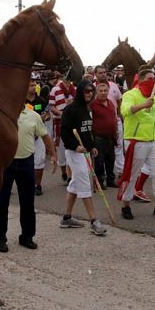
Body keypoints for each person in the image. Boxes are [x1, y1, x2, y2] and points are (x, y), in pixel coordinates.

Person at [0, 95, 57, 252]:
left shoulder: (33, 115)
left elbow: (45, 136)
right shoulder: (2, 114)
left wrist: (54, 154)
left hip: (26, 162)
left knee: (28, 202)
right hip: (6, 163)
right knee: (1, 202)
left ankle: (27, 236)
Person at [117, 68, 155, 220]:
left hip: (153, 142)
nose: (154, 81)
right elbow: (124, 111)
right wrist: (144, 105)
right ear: (142, 79)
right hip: (135, 141)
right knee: (131, 175)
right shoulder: (130, 94)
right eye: (151, 78)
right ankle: (126, 206)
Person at [58, 80, 107, 236]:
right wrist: (74, 146)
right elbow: (64, 132)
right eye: (87, 91)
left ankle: (66, 218)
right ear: (80, 92)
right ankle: (93, 221)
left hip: (84, 151)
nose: (90, 94)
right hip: (74, 152)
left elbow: (87, 131)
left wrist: (92, 145)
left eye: (91, 91)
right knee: (85, 183)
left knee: (75, 184)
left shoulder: (87, 109)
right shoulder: (70, 109)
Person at [90, 81, 118, 189]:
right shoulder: (93, 105)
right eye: (101, 91)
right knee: (99, 162)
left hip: (111, 136)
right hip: (99, 137)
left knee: (111, 160)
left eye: (105, 91)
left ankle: (110, 180)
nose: (103, 93)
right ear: (96, 92)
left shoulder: (110, 102)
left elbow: (114, 117)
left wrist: (116, 132)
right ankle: (99, 182)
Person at [49, 74, 75, 185]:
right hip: (59, 123)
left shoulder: (75, 89)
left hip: (72, 123)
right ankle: (64, 173)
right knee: (61, 150)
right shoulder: (55, 89)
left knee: (71, 148)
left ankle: (70, 176)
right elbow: (51, 107)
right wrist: (62, 114)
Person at [26, 78, 50, 195]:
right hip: (25, 136)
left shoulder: (41, 100)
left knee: (39, 160)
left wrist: (46, 116)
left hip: (39, 135)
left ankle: (37, 184)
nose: (34, 87)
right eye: (31, 85)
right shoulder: (20, 101)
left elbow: (48, 114)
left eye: (35, 85)